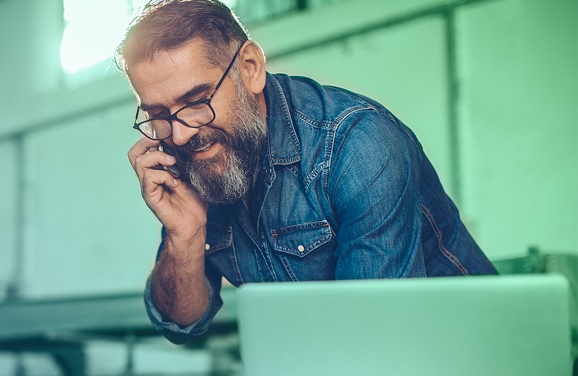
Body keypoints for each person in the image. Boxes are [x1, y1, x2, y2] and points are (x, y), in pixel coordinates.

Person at [119, 0, 498, 344]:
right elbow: (181, 325)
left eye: (197, 101)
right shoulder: (189, 159)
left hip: (469, 350)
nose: (182, 134)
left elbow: (378, 334)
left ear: (249, 69)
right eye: (158, 114)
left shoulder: (356, 144)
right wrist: (184, 236)